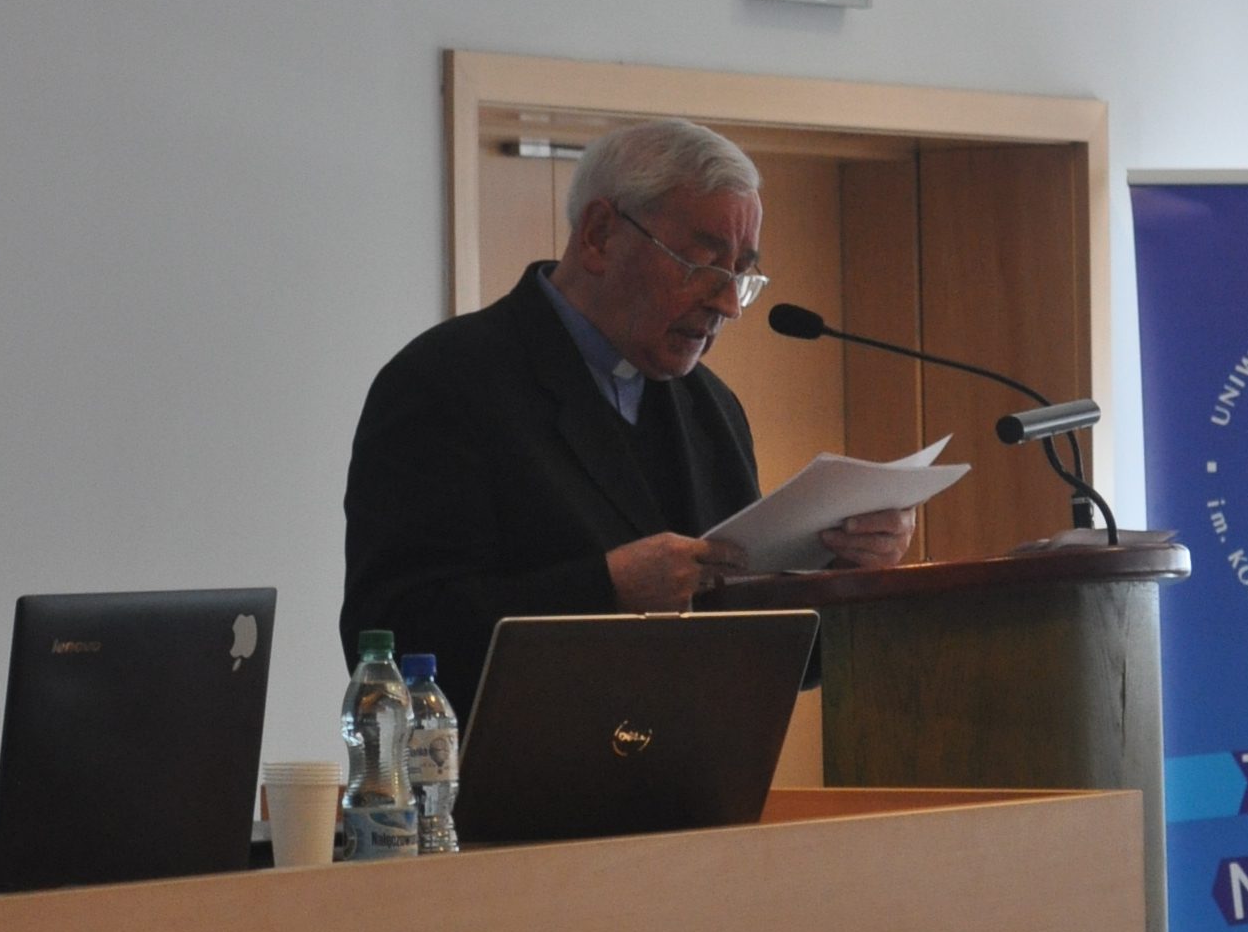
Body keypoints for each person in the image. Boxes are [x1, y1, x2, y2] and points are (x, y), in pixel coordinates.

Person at [340, 117, 914, 725]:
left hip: (700, 774)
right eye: (701, 264)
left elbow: (757, 646)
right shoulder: (447, 381)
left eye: (741, 275)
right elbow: (391, 638)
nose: (727, 304)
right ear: (599, 235)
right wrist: (603, 590)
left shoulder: (712, 408)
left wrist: (846, 582)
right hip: (519, 778)